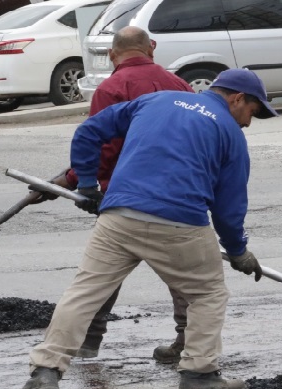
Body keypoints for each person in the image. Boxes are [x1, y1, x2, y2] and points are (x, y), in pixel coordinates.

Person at [9, 68, 277, 389]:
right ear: (237, 99)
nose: (248, 123)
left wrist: (88, 182)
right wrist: (238, 251)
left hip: (119, 216)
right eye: (252, 112)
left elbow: (90, 131)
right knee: (207, 294)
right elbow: (229, 206)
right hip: (181, 224)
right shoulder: (230, 133)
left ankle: (44, 372)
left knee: (85, 292)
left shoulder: (155, 101)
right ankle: (199, 377)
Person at [31, 26, 193, 362]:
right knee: (185, 275)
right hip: (179, 194)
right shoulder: (179, 86)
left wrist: (77, 179)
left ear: (111, 54)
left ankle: (87, 342)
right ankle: (187, 343)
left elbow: (104, 147)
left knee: (102, 273)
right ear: (152, 48)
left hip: (127, 195)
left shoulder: (112, 87)